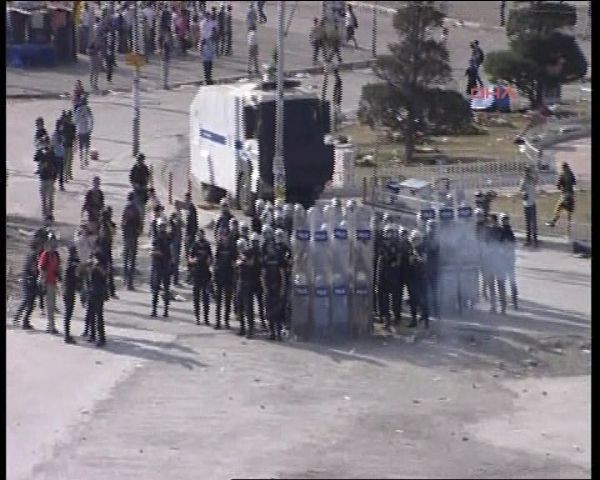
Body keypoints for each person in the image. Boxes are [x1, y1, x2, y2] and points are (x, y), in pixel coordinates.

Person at [13, 240, 42, 330]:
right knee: (29, 301)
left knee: (27, 300)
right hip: (30, 279)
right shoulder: (33, 255)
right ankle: (23, 320)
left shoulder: (29, 254)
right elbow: (33, 268)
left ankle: (19, 318)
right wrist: (38, 276)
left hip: (27, 278)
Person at [376, 225, 399, 330]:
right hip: (382, 272)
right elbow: (382, 256)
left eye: (391, 232)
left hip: (392, 274)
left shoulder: (395, 245)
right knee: (382, 296)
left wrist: (394, 262)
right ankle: (384, 317)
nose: (389, 234)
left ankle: (392, 317)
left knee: (392, 296)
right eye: (387, 232)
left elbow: (397, 259)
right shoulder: (381, 244)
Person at [38, 234, 62, 334]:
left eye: (55, 242)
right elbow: (41, 268)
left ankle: (51, 325)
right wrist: (42, 281)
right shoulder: (45, 254)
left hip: (53, 281)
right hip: (47, 282)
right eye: (52, 242)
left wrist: (60, 279)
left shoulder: (56, 254)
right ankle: (50, 325)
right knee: (50, 304)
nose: (54, 244)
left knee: (53, 305)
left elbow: (58, 268)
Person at [262, 237, 285, 340]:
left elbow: (282, 275)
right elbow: (262, 275)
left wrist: (282, 288)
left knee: (278, 312)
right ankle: (271, 333)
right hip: (269, 287)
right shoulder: (266, 259)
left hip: (277, 286)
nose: (270, 248)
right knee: (269, 311)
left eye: (272, 246)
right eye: (269, 246)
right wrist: (265, 288)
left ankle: (279, 333)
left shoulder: (278, 258)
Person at [188, 228, 213, 325]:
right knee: (196, 296)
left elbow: (211, 257)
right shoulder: (195, 244)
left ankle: (206, 318)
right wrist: (193, 261)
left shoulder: (207, 245)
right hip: (196, 272)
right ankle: (197, 317)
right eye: (199, 235)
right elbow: (190, 257)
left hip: (205, 273)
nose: (200, 236)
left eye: (201, 234)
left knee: (206, 296)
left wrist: (209, 261)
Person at [213, 228, 235, 329]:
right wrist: (214, 275)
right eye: (222, 235)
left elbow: (235, 261)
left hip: (229, 276)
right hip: (220, 276)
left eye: (225, 235)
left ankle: (226, 320)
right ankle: (217, 322)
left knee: (227, 300)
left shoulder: (232, 247)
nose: (224, 237)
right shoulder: (219, 246)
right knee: (218, 301)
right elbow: (216, 261)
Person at [236, 238, 258, 338]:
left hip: (248, 282)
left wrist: (242, 261)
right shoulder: (240, 254)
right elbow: (236, 263)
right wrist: (241, 261)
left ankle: (251, 330)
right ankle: (242, 328)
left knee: (248, 307)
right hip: (240, 281)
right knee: (239, 306)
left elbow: (251, 263)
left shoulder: (250, 252)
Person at [84, 252, 108, 346]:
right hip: (91, 291)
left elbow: (105, 274)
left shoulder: (102, 265)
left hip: (99, 292)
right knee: (91, 314)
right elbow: (84, 273)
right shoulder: (90, 265)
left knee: (99, 315)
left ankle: (101, 338)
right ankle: (92, 335)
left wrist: (97, 266)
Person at [408, 230, 429, 328]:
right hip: (412, 277)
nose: (415, 241)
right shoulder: (410, 249)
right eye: (413, 239)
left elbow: (424, 260)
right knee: (413, 300)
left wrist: (417, 257)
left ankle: (425, 318)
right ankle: (413, 320)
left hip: (422, 277)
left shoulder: (423, 249)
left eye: (417, 239)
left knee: (423, 299)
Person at [150, 219, 172, 318]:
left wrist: (155, 253)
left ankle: (157, 310)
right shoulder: (166, 237)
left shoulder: (159, 238)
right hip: (163, 265)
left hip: (160, 266)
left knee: (157, 289)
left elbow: (156, 251)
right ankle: (164, 310)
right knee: (164, 289)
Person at [121, 192, 143, 290]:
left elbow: (123, 224)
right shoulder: (134, 209)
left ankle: (126, 280)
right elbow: (139, 225)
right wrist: (137, 233)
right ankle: (129, 283)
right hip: (132, 237)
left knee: (126, 259)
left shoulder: (126, 209)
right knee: (131, 260)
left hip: (127, 237)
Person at [547, 162, 576, 230]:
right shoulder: (571, 173)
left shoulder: (562, 174)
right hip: (571, 195)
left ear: (563, 168)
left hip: (564, 195)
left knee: (558, 208)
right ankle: (569, 228)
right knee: (569, 211)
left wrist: (561, 188)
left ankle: (553, 222)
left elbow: (558, 185)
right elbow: (574, 182)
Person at [35, 134, 57, 222]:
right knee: (45, 198)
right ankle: (46, 214)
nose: (44, 144)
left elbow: (55, 165)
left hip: (49, 178)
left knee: (49, 198)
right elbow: (36, 158)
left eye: (45, 142)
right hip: (44, 178)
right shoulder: (42, 152)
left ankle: (49, 214)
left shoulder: (51, 152)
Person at [499, 213, 518, 311]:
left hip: (509, 259)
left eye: (506, 219)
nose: (505, 221)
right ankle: (503, 301)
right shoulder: (501, 230)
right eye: (503, 219)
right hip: (503, 260)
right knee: (503, 281)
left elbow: (513, 244)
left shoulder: (509, 231)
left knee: (512, 281)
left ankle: (514, 300)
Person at [249, 232, 267, 330]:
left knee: (260, 303)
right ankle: (251, 323)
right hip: (251, 280)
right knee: (250, 303)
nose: (255, 244)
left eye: (256, 242)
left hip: (259, 280)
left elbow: (264, 266)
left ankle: (263, 321)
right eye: (253, 242)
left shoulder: (261, 253)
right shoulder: (249, 252)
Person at [63, 246, 81, 344]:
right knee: (68, 313)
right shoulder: (72, 264)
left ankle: (67, 334)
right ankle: (66, 335)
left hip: (68, 290)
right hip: (68, 290)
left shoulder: (70, 263)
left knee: (68, 313)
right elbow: (76, 274)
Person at [423, 219, 440, 319]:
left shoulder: (436, 239)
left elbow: (435, 249)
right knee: (426, 292)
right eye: (430, 227)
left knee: (434, 292)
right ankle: (427, 312)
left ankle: (436, 311)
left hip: (434, 269)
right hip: (425, 269)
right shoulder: (424, 238)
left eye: (433, 227)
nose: (431, 229)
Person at [519, 165, 538, 247]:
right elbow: (521, 190)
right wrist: (523, 193)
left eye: (527, 171)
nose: (526, 173)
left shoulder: (531, 180)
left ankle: (534, 240)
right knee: (529, 223)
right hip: (527, 204)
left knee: (532, 223)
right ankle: (529, 240)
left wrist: (535, 172)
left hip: (531, 204)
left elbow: (536, 180)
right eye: (526, 172)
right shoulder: (524, 181)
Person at [73, 96, 94, 168]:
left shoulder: (78, 110)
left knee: (81, 147)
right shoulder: (88, 109)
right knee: (87, 146)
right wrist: (90, 129)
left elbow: (75, 121)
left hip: (80, 131)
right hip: (86, 131)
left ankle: (82, 162)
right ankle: (86, 160)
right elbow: (91, 119)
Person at [169, 211, 184, 286]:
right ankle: (174, 280)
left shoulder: (178, 225)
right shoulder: (172, 226)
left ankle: (175, 280)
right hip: (174, 247)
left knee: (175, 263)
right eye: (179, 216)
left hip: (177, 246)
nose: (180, 217)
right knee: (174, 263)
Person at [51, 119, 66, 192]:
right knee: (56, 171)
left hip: (61, 154)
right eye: (61, 125)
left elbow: (63, 143)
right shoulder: (55, 134)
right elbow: (53, 144)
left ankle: (61, 185)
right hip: (56, 155)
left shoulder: (61, 134)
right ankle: (53, 184)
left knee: (61, 171)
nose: (62, 127)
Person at [62, 110, 76, 182]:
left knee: (69, 161)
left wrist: (75, 145)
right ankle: (66, 176)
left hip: (70, 145)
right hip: (65, 146)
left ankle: (69, 174)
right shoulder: (64, 126)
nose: (69, 118)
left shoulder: (72, 126)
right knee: (66, 161)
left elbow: (74, 136)